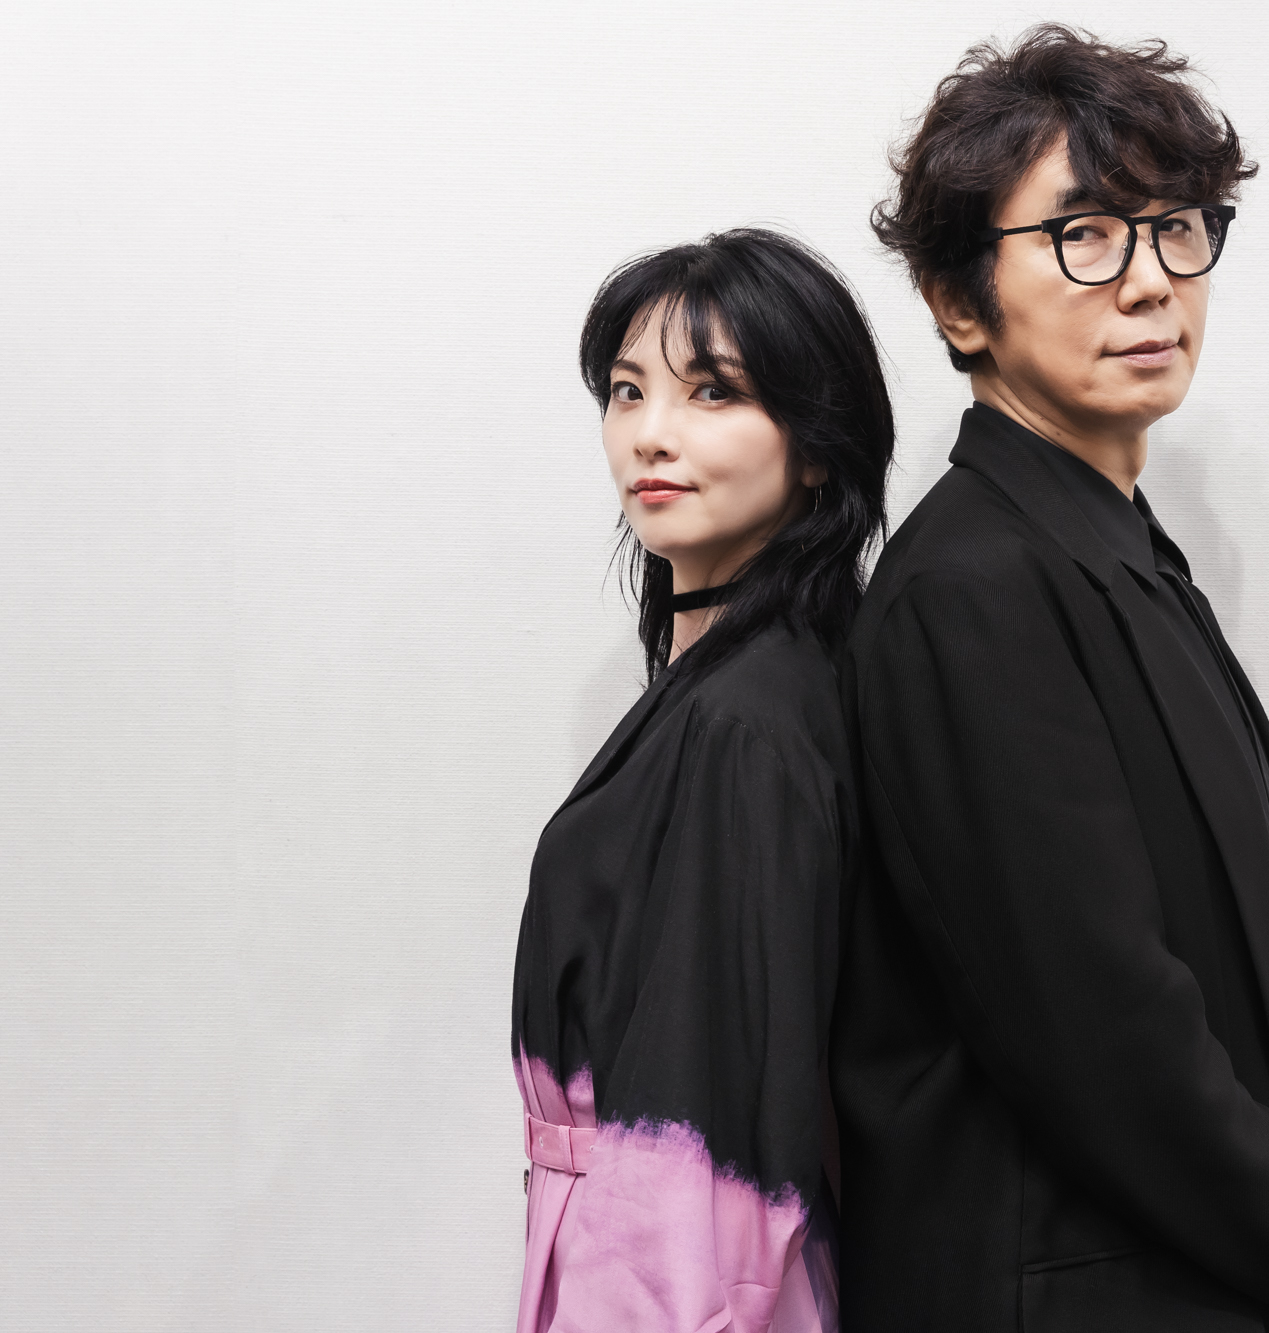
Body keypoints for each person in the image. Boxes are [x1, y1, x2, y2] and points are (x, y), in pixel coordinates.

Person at [833, 27, 1269, 1333]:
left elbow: (1214, 947)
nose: (1147, 283)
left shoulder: (1109, 546)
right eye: (1083, 236)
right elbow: (1094, 1022)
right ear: (958, 302)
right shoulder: (974, 587)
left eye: (1177, 229)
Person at [510, 228, 892, 1333]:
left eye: (712, 391)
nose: (650, 433)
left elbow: (706, 1146)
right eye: (627, 391)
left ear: (815, 447)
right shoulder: (752, 687)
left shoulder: (746, 726)